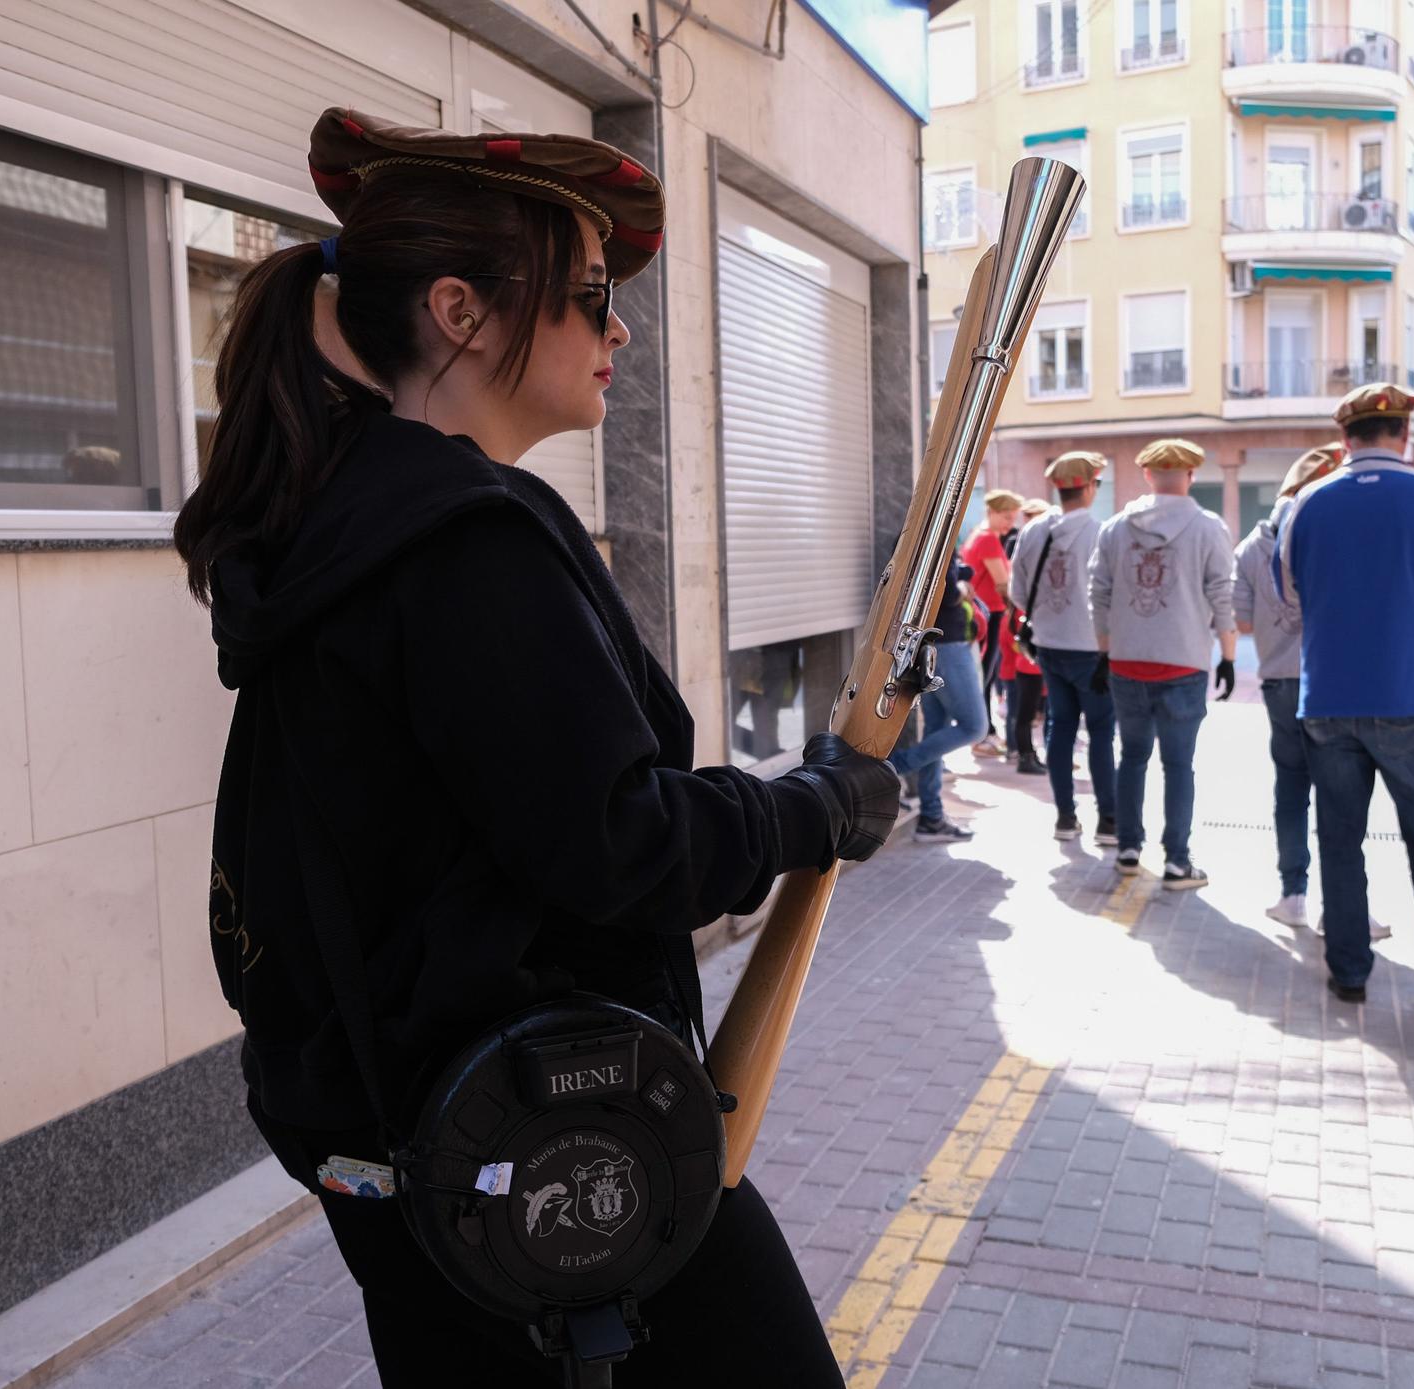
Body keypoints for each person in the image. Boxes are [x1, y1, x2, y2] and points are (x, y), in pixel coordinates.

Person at [171, 111, 897, 1387]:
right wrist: (816, 809)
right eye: (587, 296)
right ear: (459, 310)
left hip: (404, 1151)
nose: (617, 330)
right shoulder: (462, 538)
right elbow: (623, 845)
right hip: (562, 1147)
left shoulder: (330, 524)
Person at [1274, 383, 1414, 1002]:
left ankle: (1349, 971)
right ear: (1404, 434)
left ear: (1344, 439)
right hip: (1411, 691)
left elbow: (1289, 594)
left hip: (1327, 695)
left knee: (1339, 838)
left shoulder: (1307, 502)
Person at [1233, 444, 1393, 942]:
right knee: (1341, 793)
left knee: (1291, 788)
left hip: (1281, 678)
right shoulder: (1345, 535)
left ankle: (1292, 895)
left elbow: (1240, 621)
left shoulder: (1251, 548)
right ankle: (1345, 907)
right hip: (1337, 678)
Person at [1089, 439, 1237, 889]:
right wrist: (1229, 656)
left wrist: (1104, 650)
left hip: (1127, 661)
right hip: (1184, 662)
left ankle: (1129, 848)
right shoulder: (1209, 527)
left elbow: (1098, 593)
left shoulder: (1115, 527)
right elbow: (1222, 596)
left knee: (1131, 756)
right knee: (1179, 764)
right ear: (1190, 477)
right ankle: (1177, 860)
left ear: (1148, 475)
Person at [1012, 452, 1119, 842]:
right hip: (1092, 650)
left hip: (1048, 647)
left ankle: (1065, 817)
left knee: (1060, 729)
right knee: (1102, 731)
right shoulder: (1102, 532)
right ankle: (1108, 820)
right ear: (1090, 486)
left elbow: (1018, 594)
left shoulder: (1033, 531)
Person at [886, 553, 986, 843]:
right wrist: (963, 587)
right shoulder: (938, 522)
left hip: (931, 644)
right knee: (975, 726)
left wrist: (962, 574)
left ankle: (931, 816)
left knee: (937, 731)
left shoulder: (926, 529)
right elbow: (947, 589)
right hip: (946, 645)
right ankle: (896, 766)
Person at [961, 490, 1021, 754]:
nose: (1010, 523)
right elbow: (1002, 583)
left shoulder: (980, 535)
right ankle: (981, 733)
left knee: (984, 673)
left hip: (984, 612)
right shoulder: (988, 539)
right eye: (1006, 517)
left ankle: (985, 730)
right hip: (990, 613)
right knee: (984, 674)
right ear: (992, 512)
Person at [1000, 498, 1052, 774]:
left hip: (1030, 649)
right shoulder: (1024, 580)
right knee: (1024, 711)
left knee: (1030, 711)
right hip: (1027, 652)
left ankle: (1030, 754)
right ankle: (1024, 755)